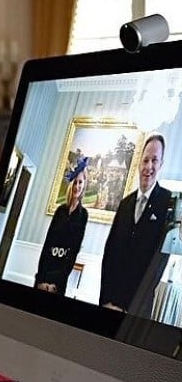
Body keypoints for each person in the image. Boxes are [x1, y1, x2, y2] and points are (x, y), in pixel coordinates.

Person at [100, 134, 173, 317]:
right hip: (110, 304)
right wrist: (106, 301)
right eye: (146, 160)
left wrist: (131, 309)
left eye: (154, 161)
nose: (149, 167)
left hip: (137, 311)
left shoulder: (167, 203)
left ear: (161, 164)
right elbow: (109, 255)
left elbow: (157, 265)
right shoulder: (124, 204)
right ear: (139, 162)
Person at [35, 156, 89, 295]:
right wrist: (41, 278)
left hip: (59, 277)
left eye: (80, 182)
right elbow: (48, 243)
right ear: (71, 184)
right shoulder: (60, 211)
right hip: (46, 267)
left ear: (84, 185)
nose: (77, 186)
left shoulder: (83, 215)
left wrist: (55, 282)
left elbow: (74, 251)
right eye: (75, 182)